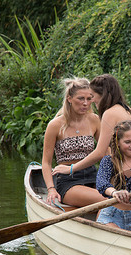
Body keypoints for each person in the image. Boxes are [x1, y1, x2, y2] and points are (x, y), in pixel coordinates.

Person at [61, 74, 131, 177]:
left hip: (125, 175)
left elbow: (100, 152)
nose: (91, 101)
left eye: (92, 96)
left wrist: (71, 168)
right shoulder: (127, 110)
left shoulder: (109, 114)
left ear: (102, 95)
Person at [42, 77, 105, 207]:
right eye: (81, 98)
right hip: (69, 181)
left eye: (89, 98)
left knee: (114, 198)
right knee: (105, 200)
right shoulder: (55, 125)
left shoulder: (95, 120)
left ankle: (103, 225)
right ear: (69, 99)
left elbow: (107, 152)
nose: (86, 103)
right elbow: (46, 162)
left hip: (93, 176)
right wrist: (51, 189)